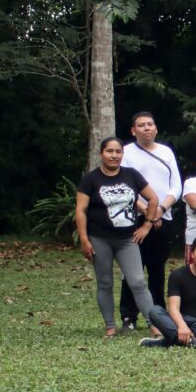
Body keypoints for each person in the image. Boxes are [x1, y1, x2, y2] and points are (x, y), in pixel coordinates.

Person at [75, 137, 160, 337]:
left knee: (138, 281)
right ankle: (110, 326)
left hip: (127, 239)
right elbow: (81, 210)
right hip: (99, 238)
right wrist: (84, 239)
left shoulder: (131, 175)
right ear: (101, 154)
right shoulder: (91, 179)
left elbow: (153, 198)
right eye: (110, 151)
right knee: (105, 282)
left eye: (118, 152)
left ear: (123, 154)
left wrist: (147, 225)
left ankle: (153, 324)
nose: (114, 155)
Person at [119, 111, 182, 331]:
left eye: (150, 124)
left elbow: (176, 186)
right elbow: (125, 186)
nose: (146, 128)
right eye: (141, 125)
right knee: (133, 269)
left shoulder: (166, 152)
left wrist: (161, 208)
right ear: (133, 130)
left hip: (163, 218)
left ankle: (158, 314)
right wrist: (148, 212)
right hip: (135, 218)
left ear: (155, 128)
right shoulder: (126, 153)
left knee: (157, 269)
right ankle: (129, 317)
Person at [140, 234, 196, 348]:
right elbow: (173, 308)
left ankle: (167, 341)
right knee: (154, 311)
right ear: (192, 253)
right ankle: (191, 342)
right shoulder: (177, 275)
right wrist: (182, 326)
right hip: (179, 321)